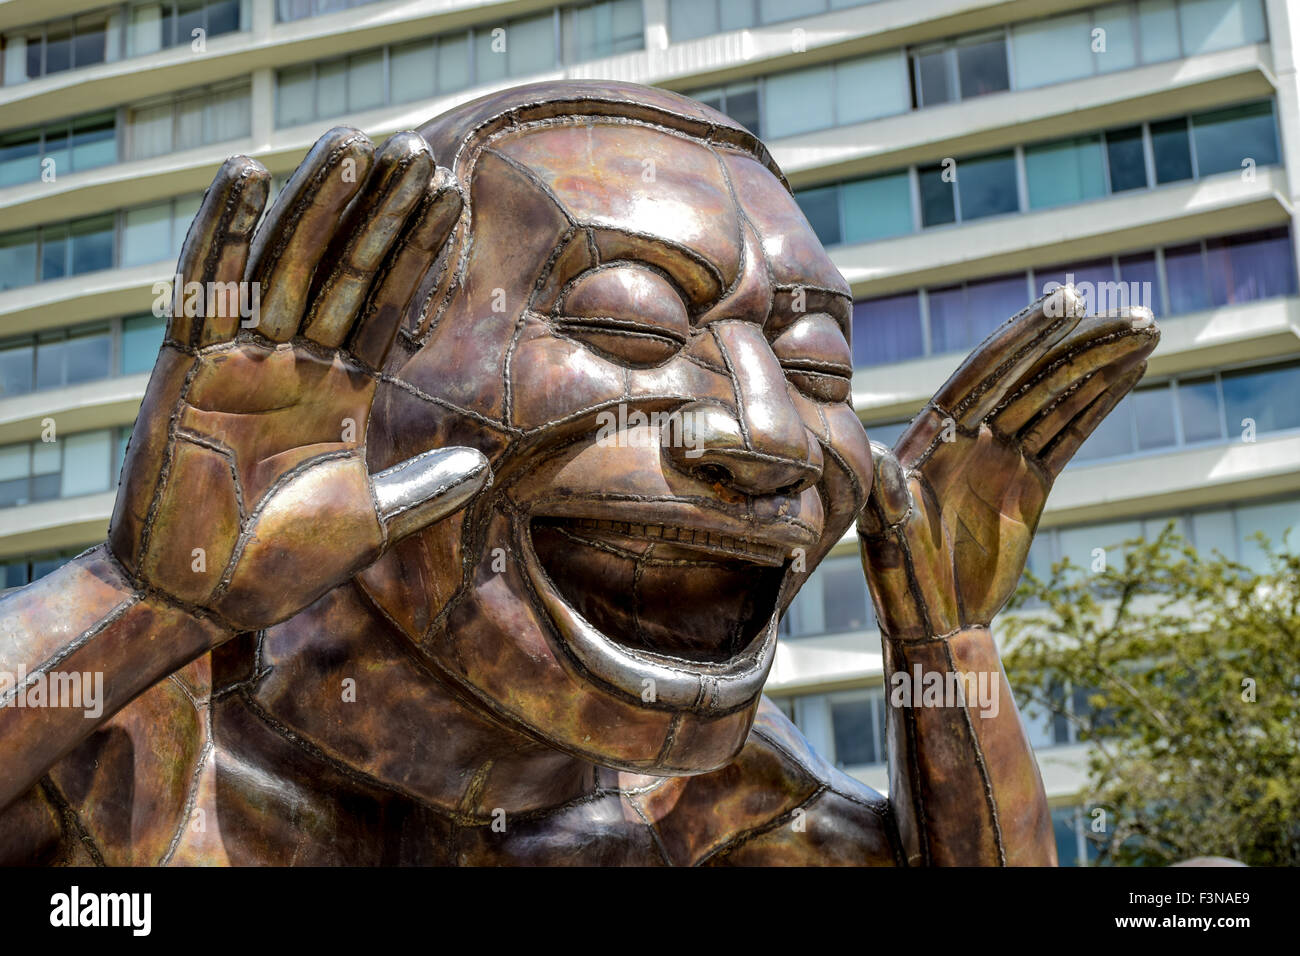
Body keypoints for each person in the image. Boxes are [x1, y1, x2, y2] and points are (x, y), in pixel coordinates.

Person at [0, 81, 1157, 865]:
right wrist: (146, 600)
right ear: (356, 378)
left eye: (816, 363)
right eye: (627, 322)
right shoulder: (130, 758)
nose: (770, 434)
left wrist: (945, 643)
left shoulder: (708, 806)